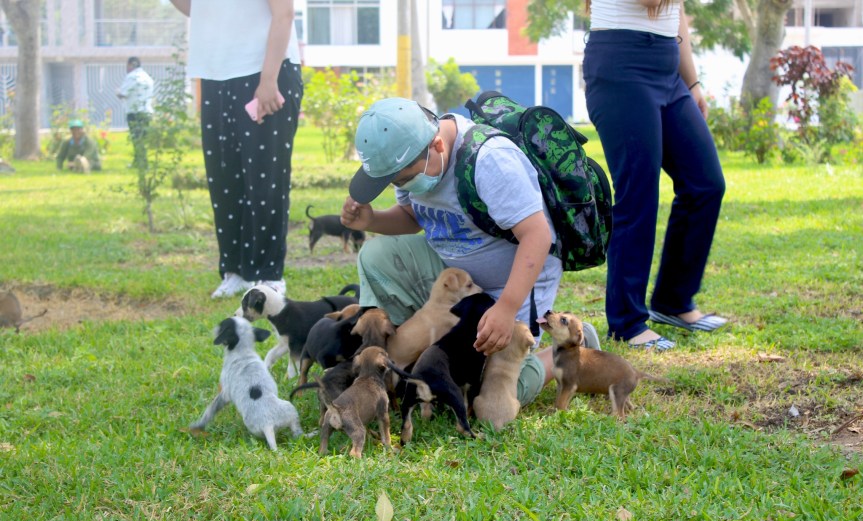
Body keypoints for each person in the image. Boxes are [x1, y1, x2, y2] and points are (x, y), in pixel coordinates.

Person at [341, 97, 601, 408]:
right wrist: (372, 220)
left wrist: (506, 308)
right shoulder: (412, 162)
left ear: (437, 144)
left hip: (511, 284)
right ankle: (405, 355)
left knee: (488, 395)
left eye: (405, 178)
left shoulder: (491, 161)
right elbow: (413, 218)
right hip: (455, 276)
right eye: (396, 181)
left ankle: (569, 348)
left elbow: (538, 235)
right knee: (375, 255)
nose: (405, 184)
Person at [582, 0, 728, 351]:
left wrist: (692, 83)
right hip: (621, 65)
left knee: (705, 183)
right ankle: (627, 322)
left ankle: (673, 302)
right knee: (639, 194)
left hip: (667, 65)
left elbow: (674, 14)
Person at [169, 0, 303, 298]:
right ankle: (235, 271)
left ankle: (269, 274)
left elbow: (284, 13)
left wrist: (268, 79)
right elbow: (197, 8)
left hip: (266, 70)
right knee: (223, 178)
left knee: (265, 179)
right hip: (217, 74)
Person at [116, 56, 154, 169]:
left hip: (135, 112)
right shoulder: (147, 77)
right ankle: (138, 161)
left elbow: (123, 93)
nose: (126, 68)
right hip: (146, 112)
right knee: (142, 138)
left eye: (127, 65)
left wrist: (117, 92)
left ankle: (142, 163)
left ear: (131, 64)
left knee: (137, 139)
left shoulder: (132, 77)